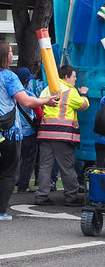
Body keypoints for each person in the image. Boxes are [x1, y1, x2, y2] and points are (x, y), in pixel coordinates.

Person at [0, 41, 59, 221]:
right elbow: (25, 101)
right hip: (8, 129)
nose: (12, 53)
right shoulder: (9, 76)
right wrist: (46, 101)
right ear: (4, 55)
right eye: (11, 51)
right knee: (10, 170)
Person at [34, 64, 89, 207]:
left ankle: (41, 196)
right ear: (66, 77)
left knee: (45, 166)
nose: (76, 79)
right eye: (74, 76)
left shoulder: (48, 88)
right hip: (62, 135)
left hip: (45, 133)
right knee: (67, 167)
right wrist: (83, 93)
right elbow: (83, 105)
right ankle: (71, 197)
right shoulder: (70, 92)